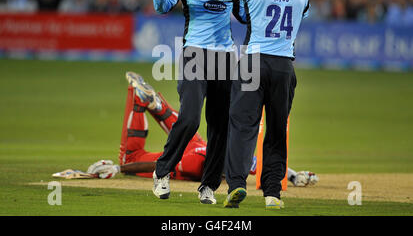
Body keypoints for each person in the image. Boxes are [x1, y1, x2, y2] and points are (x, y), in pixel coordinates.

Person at [148, 0, 310, 209]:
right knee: (277, 130)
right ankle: (272, 194)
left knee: (240, 127)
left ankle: (234, 185)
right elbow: (299, 13)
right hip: (284, 67)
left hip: (252, 62)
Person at [87, 72, 319, 189]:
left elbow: (262, 165)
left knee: (183, 130)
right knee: (131, 157)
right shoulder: (195, 165)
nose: (230, 177)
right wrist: (119, 168)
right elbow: (159, 166)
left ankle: (157, 105)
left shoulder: (234, 158)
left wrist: (294, 176)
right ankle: (145, 103)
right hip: (192, 153)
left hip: (199, 144)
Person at [146, 0, 240, 204]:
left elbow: (240, 11)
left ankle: (208, 186)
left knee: (221, 125)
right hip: (195, 53)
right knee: (189, 118)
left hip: (224, 57)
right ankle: (162, 172)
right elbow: (164, 7)